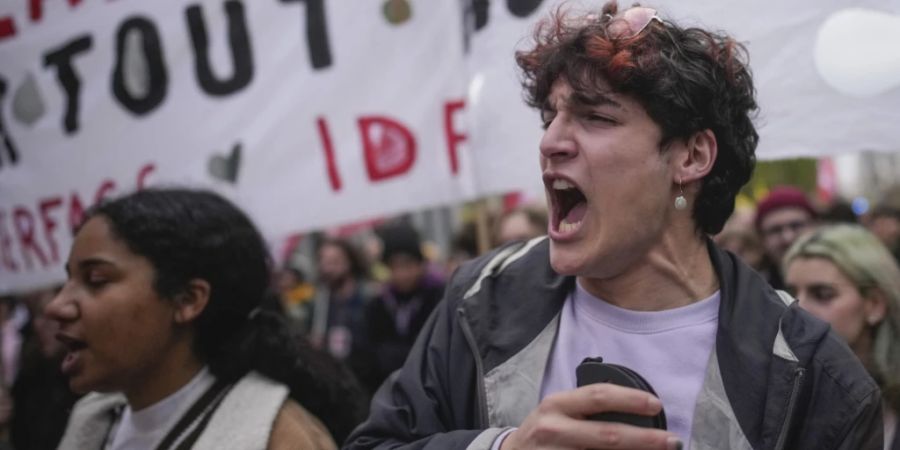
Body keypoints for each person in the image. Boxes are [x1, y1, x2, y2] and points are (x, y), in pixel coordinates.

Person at [345, 3, 881, 449]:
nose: (551, 140)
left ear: (691, 156)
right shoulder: (482, 299)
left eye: (596, 117)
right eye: (550, 115)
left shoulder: (810, 372)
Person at [46, 188, 366, 449]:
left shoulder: (280, 439)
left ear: (188, 300)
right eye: (68, 280)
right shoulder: (94, 423)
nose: (58, 306)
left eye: (96, 279)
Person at [784, 225, 900, 449]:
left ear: (875, 304)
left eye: (823, 295)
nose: (798, 310)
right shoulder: (777, 401)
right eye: (791, 295)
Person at [355, 223, 445, 394]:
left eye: (408, 264)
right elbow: (365, 355)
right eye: (395, 266)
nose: (402, 273)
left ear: (420, 263)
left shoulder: (438, 298)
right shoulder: (377, 305)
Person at [10, 286, 80, 450]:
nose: (40, 325)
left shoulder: (91, 378)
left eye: (51, 318)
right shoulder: (30, 371)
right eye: (38, 315)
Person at [310, 237, 376, 361]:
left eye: (334, 262)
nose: (327, 269)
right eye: (323, 262)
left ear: (349, 262)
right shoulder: (319, 303)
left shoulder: (369, 298)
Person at [754, 186, 818, 289]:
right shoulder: (752, 291)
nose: (787, 238)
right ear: (762, 239)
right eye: (775, 230)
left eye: (796, 226)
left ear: (815, 227)